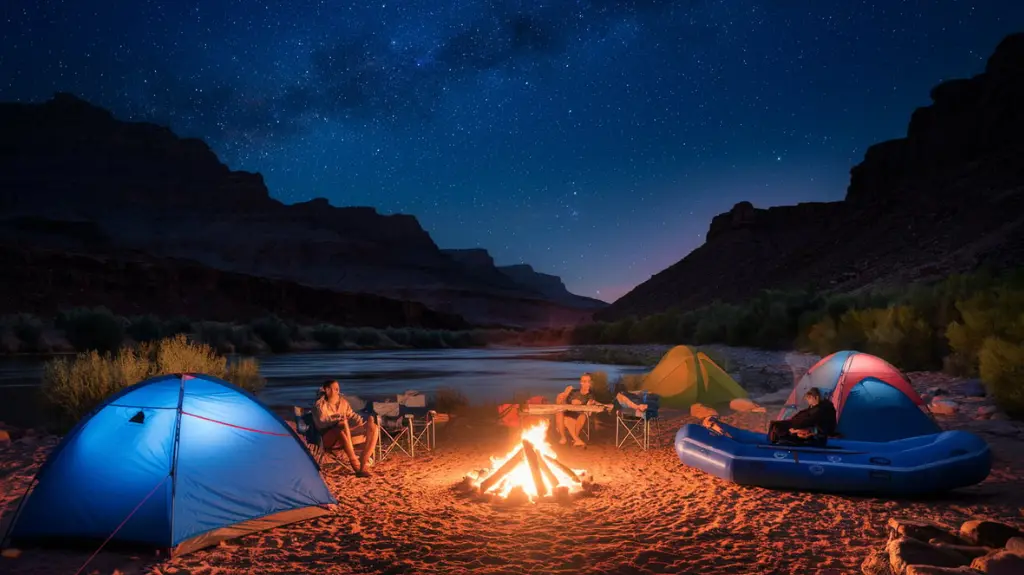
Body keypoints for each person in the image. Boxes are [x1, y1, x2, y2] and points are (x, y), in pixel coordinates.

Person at [313, 380, 379, 477]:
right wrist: (339, 419)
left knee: (373, 426)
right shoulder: (320, 405)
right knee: (341, 425)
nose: (338, 390)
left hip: (346, 434)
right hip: (328, 437)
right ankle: (355, 464)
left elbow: (352, 416)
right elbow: (322, 421)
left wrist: (364, 423)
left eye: (338, 388)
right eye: (335, 388)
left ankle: (363, 461)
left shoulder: (343, 403)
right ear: (327, 390)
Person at [769, 387, 837, 446]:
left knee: (779, 428)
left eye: (809, 398)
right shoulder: (816, 407)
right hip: (811, 431)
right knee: (776, 425)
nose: (808, 402)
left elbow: (809, 422)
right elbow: (804, 415)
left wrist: (794, 427)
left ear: (816, 397)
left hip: (817, 437)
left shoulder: (822, 409)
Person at [555, 373, 598, 447]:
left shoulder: (591, 394)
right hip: (568, 413)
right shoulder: (573, 391)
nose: (586, 383)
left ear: (591, 383)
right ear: (580, 382)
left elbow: (590, 405)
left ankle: (575, 438)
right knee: (559, 413)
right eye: (584, 381)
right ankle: (566, 438)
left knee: (576, 417)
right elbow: (560, 403)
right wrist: (564, 395)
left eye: (588, 381)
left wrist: (586, 403)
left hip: (579, 416)